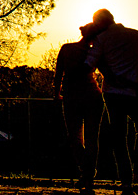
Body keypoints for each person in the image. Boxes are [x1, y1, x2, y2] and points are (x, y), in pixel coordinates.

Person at [86, 8, 138, 195]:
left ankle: (126, 179)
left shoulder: (101, 39)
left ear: (100, 23)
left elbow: (90, 63)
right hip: (136, 92)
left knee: (119, 137)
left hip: (113, 94)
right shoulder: (136, 34)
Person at [54, 22, 105, 195]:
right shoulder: (95, 52)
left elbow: (58, 72)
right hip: (92, 96)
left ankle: (86, 171)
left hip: (71, 97)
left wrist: (56, 92)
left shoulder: (67, 48)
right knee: (92, 138)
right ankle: (89, 174)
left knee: (74, 137)